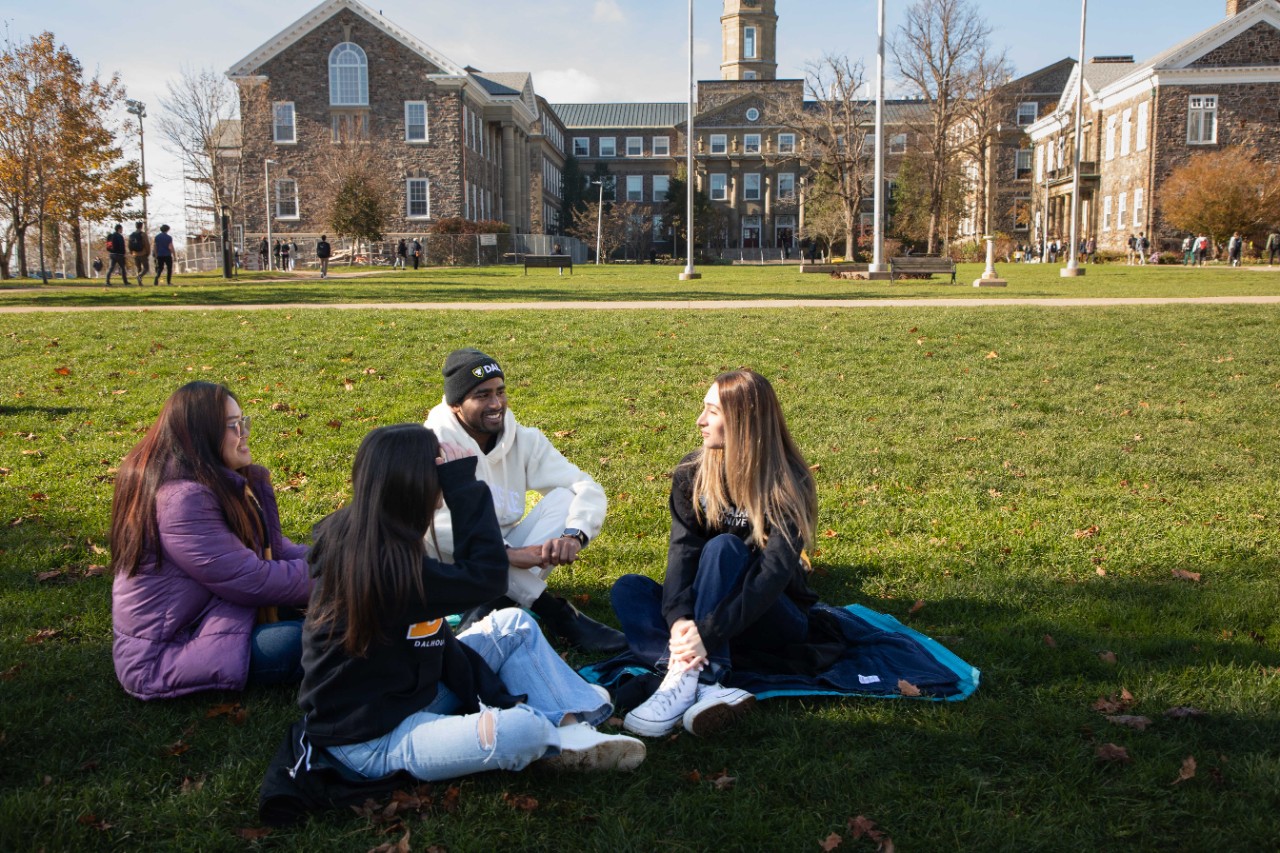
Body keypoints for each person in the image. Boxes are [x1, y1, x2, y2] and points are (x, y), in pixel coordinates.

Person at [297, 424, 645, 783]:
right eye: (438, 469)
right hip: (371, 739)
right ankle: (560, 712)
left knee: (514, 624)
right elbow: (488, 576)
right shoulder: (386, 568)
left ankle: (571, 731)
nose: (443, 477)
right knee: (523, 730)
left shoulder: (382, 538)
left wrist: (494, 693)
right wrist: (464, 486)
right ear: (417, 482)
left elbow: (440, 638)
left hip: (410, 693)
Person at [611, 370, 819, 738]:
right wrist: (679, 620)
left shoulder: (788, 481)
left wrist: (706, 632)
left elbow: (769, 581)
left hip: (771, 613)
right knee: (629, 589)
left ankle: (697, 673)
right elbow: (683, 551)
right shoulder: (692, 472)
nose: (700, 420)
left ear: (743, 422)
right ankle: (695, 679)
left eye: (713, 412)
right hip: (712, 616)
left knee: (724, 548)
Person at [109, 382, 313, 700]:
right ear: (202, 435)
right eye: (233, 426)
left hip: (214, 615)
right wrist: (340, 577)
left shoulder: (213, 480)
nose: (244, 432)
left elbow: (276, 550)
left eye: (243, 421)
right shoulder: (181, 499)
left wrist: (342, 559)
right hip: (168, 654)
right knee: (322, 638)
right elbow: (251, 579)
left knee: (336, 613)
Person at [424, 349, 626, 654]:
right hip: (452, 570)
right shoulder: (432, 443)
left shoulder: (523, 439)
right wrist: (505, 554)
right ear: (455, 405)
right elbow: (439, 529)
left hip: (501, 554)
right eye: (482, 395)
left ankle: (494, 604)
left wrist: (574, 535)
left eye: (500, 392)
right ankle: (555, 612)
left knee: (566, 497)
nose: (496, 404)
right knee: (483, 552)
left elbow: (586, 487)